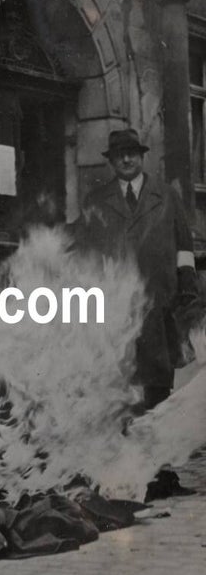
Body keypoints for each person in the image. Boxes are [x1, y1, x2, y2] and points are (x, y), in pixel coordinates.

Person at [76, 128, 199, 411]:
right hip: (115, 305)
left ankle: (154, 445)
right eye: (120, 155)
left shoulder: (167, 197)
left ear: (142, 157)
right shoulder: (96, 201)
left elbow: (184, 247)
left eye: (132, 154)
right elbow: (86, 253)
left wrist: (187, 290)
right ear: (112, 161)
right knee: (120, 381)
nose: (127, 160)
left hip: (159, 302)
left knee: (157, 381)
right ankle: (124, 446)